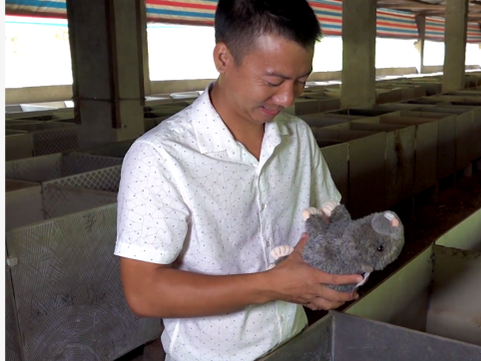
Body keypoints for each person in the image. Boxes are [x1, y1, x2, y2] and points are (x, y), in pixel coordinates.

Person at [114, 0, 363, 360]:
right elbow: (143, 291)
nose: (287, 98)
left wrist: (331, 268)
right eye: (273, 81)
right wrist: (273, 285)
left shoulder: (297, 136)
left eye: (301, 81)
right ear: (223, 58)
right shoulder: (161, 156)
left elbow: (326, 222)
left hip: (293, 343)